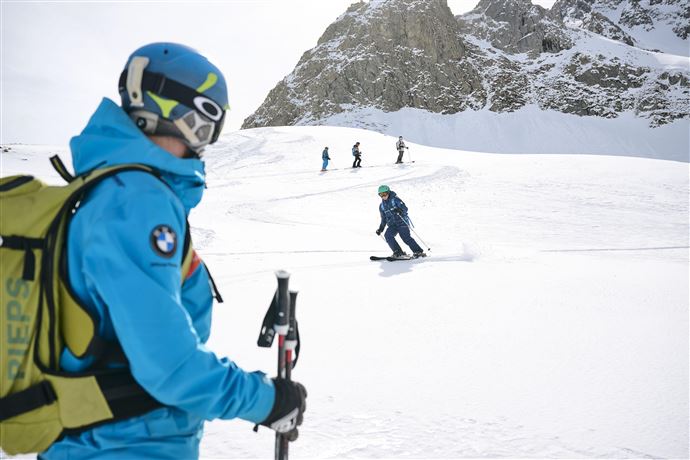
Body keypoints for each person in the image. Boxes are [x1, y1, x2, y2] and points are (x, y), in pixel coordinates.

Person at [39, 42, 306, 460]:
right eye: (203, 125)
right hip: (125, 446)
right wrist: (266, 399)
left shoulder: (115, 192)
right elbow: (170, 368)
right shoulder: (136, 201)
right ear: (164, 110)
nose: (203, 146)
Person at [375, 185, 426, 258]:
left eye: (385, 194)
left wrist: (400, 210)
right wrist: (380, 229)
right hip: (392, 225)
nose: (383, 196)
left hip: (402, 222)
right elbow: (383, 219)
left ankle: (418, 251)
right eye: (381, 194)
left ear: (388, 192)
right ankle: (398, 252)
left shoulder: (395, 199)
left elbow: (405, 208)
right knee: (388, 235)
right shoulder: (382, 206)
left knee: (405, 238)